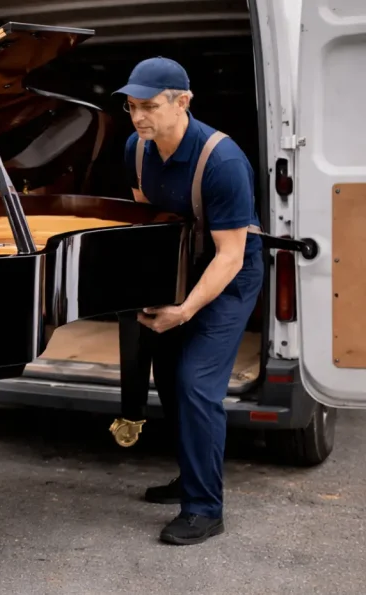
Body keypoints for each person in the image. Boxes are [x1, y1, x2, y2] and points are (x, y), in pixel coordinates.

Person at [113, 57, 265, 545]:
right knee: (171, 381)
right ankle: (191, 478)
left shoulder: (222, 162)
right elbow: (146, 220)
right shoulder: (137, 149)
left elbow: (230, 256)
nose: (139, 117)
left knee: (197, 385)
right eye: (132, 107)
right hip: (179, 267)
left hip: (229, 275)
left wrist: (185, 309)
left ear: (183, 102)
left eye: (150, 106)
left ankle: (204, 509)